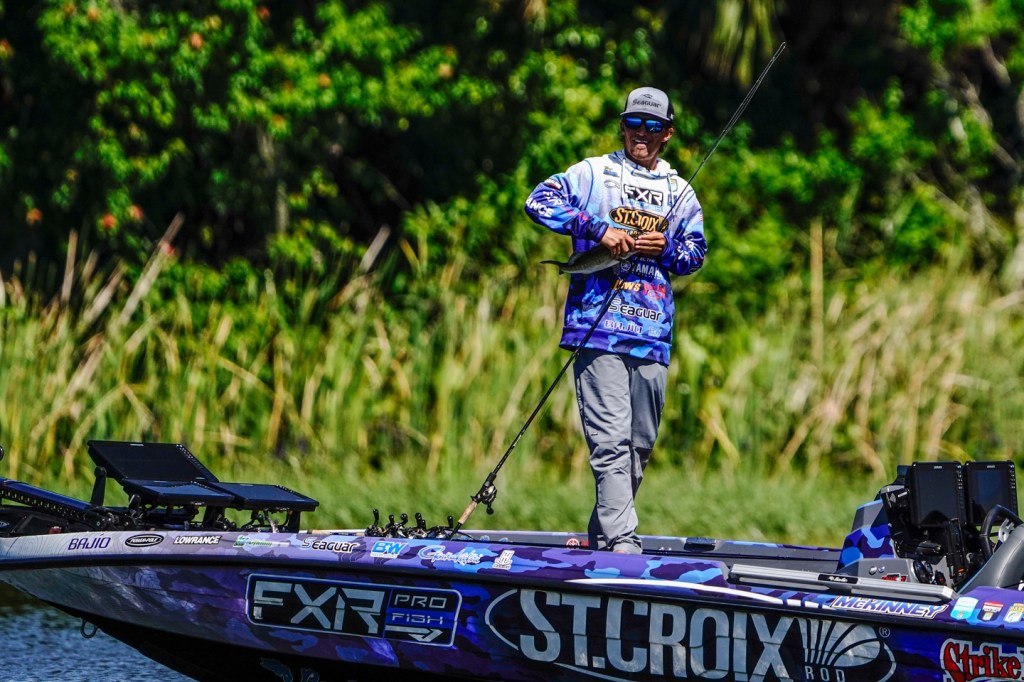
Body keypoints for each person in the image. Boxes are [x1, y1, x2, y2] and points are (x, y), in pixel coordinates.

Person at [524, 86, 707, 554]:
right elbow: (538, 201)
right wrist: (598, 229)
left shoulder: (681, 191)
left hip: (652, 335)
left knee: (638, 445)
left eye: (652, 126)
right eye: (633, 124)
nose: (641, 134)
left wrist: (667, 247)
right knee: (609, 442)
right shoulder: (592, 173)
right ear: (622, 127)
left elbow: (695, 255)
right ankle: (624, 544)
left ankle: (602, 538)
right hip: (597, 330)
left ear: (667, 134)